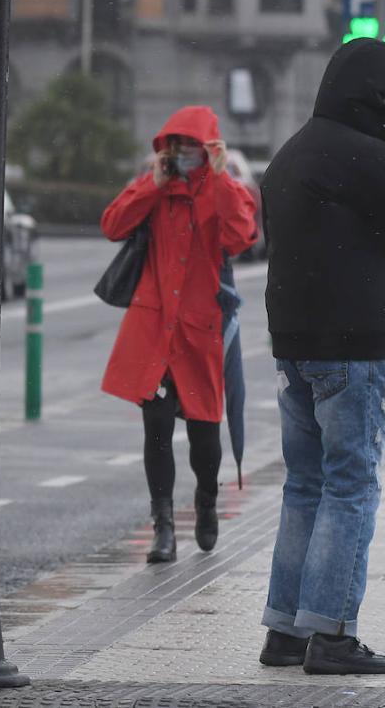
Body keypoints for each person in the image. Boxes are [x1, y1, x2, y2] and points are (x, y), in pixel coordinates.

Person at [258, 38, 385, 674]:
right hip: (354, 348)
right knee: (352, 484)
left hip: (294, 347)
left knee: (305, 484)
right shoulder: (366, 156)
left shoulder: (290, 154)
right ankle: (332, 634)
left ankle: (285, 630)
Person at [100, 106, 257, 564]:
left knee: (206, 438)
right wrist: (154, 182)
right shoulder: (157, 188)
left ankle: (206, 500)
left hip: (200, 330)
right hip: (154, 327)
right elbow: (113, 224)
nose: (184, 154)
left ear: (209, 151)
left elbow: (241, 237)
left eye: (194, 147)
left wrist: (223, 178)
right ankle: (163, 527)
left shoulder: (222, 190)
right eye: (177, 146)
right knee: (157, 429)